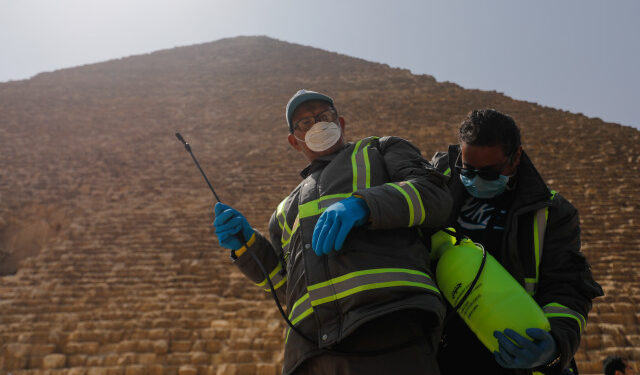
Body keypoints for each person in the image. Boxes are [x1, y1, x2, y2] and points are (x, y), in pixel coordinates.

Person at [213, 89, 453, 375]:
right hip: (310, 352)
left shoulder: (380, 150)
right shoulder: (283, 212)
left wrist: (364, 205)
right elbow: (283, 286)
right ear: (294, 140)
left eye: (324, 116)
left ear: (340, 121)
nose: (317, 124)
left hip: (389, 327)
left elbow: (435, 195)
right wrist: (246, 245)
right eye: (305, 122)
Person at [430, 109, 603, 375]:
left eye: (488, 173)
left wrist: (555, 345)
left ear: (516, 157)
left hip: (507, 356)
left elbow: (567, 286)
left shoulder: (551, 212)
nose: (475, 179)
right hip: (437, 353)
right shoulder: (434, 187)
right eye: (467, 169)